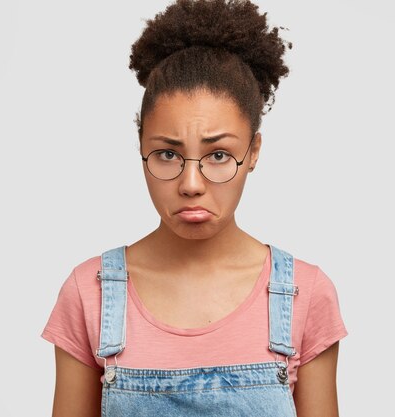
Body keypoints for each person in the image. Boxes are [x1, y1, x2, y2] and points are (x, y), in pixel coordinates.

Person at [41, 0, 348, 415]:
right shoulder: (90, 293)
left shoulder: (304, 296)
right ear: (141, 147)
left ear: (253, 151)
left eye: (219, 155)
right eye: (167, 154)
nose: (190, 184)